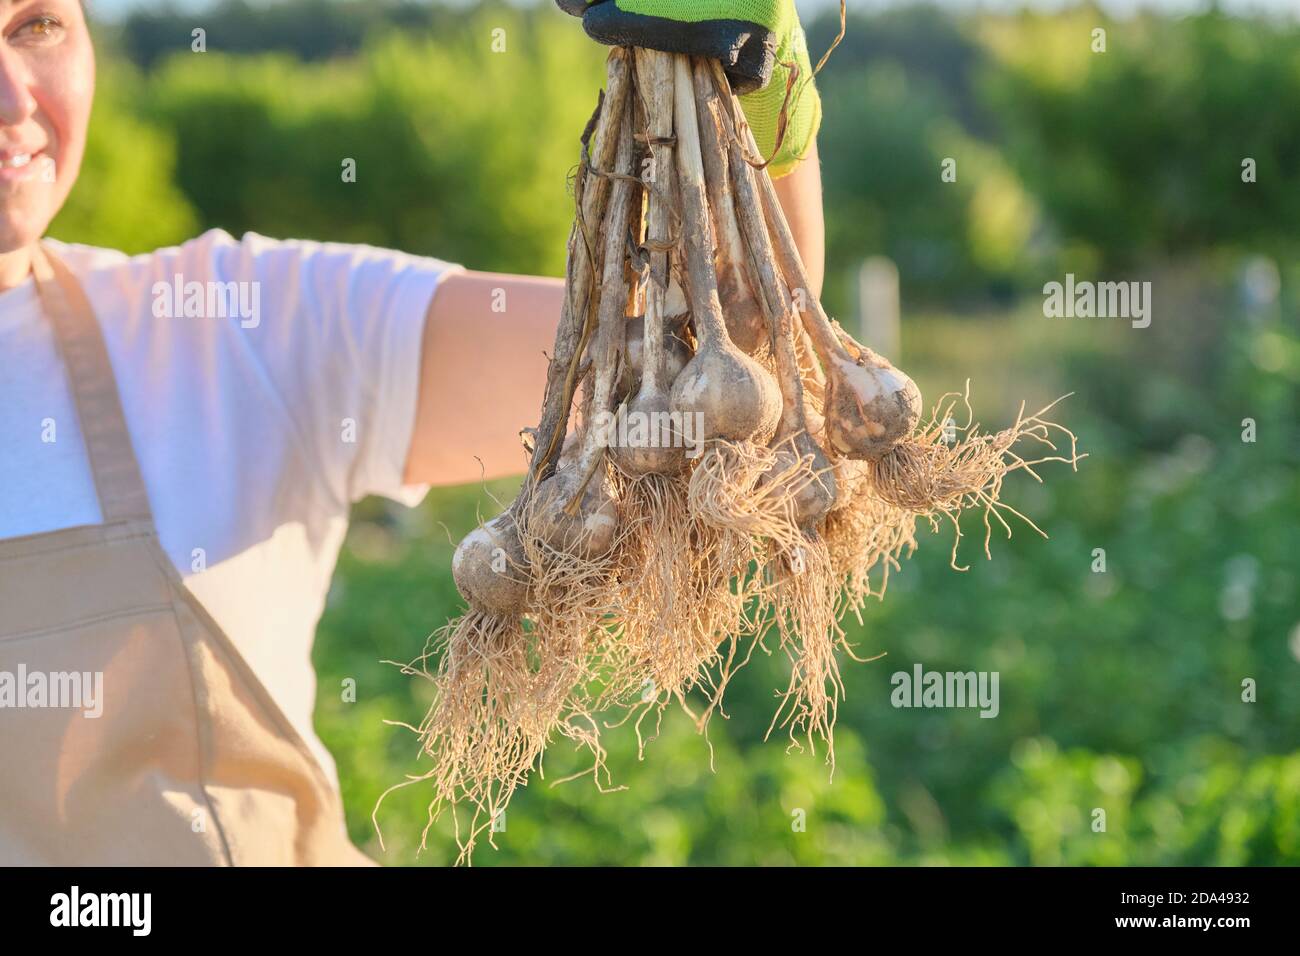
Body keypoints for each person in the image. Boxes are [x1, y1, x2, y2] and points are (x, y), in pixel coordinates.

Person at [0, 0, 824, 864]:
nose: (15, 100)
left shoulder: (232, 327)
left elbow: (730, 355)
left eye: (38, 25)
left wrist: (758, 78)